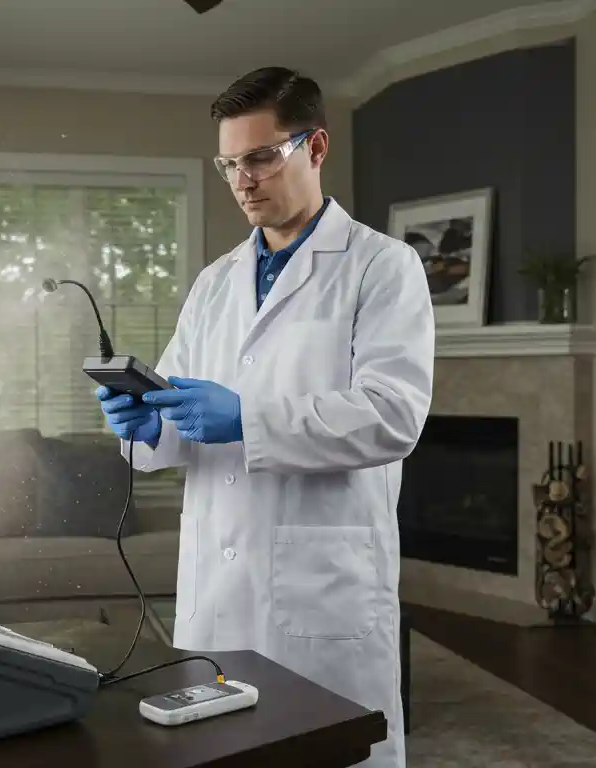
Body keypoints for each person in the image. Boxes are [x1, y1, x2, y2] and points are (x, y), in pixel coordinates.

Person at [95, 66, 433, 767]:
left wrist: (251, 419)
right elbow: (183, 423)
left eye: (260, 156)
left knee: (326, 748)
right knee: (218, 751)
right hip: (217, 588)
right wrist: (147, 425)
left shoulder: (383, 267)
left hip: (321, 588)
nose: (243, 179)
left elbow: (393, 416)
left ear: (315, 148)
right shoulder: (215, 284)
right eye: (228, 164)